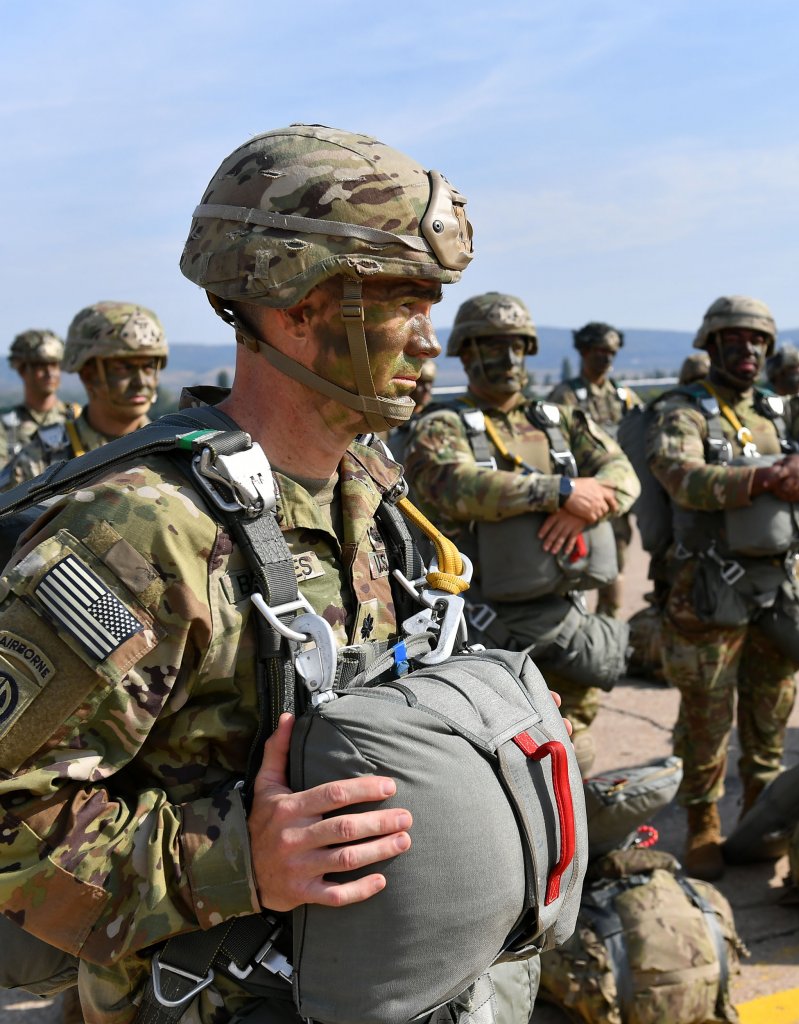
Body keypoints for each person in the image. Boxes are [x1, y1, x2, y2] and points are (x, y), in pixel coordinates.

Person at [0, 125, 555, 1024]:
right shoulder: (145, 531)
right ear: (293, 300)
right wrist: (234, 862)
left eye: (431, 305)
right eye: (401, 302)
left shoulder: (366, 487)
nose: (430, 344)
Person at [404, 292, 640, 775]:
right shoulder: (441, 425)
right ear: (466, 352)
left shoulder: (557, 420)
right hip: (483, 634)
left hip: (564, 621)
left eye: (518, 347)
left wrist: (581, 509)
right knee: (495, 764)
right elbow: (454, 484)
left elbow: (623, 475)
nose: (510, 359)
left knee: (576, 751)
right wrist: (559, 492)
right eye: (495, 346)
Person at [646, 295, 799, 881]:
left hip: (777, 585)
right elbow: (680, 475)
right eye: (734, 339)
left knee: (772, 709)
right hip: (707, 589)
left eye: (757, 340)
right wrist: (766, 477)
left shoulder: (782, 407)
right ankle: (703, 822)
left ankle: (759, 811)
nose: (747, 349)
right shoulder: (684, 410)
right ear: (712, 345)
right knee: (707, 716)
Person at [0, 302, 168, 489]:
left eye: (149, 366)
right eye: (123, 368)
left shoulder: (174, 451)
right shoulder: (38, 461)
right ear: (89, 374)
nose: (141, 382)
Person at [547, 323, 641, 617]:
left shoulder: (624, 396)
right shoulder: (566, 396)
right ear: (584, 351)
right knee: (573, 569)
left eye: (611, 351)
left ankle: (608, 624)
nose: (606, 357)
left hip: (612, 496)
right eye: (598, 350)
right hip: (577, 499)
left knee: (615, 567)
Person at [0, 329, 79, 467]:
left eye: (54, 365)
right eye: (41, 366)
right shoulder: (6, 424)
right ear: (22, 370)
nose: (50, 373)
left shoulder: (76, 417)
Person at [384, 356, 437, 464]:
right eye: (421, 382)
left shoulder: (435, 418)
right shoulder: (388, 418)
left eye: (430, 382)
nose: (427, 388)